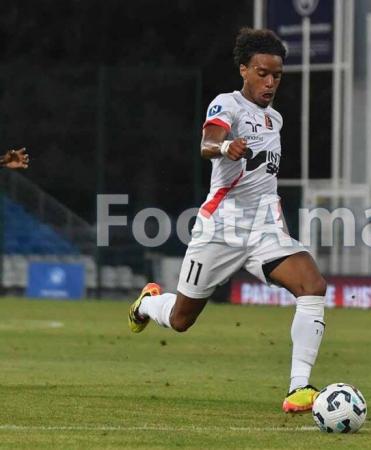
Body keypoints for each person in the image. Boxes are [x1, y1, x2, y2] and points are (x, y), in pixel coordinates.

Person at [128, 28, 327, 413]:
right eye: (262, 72)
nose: (270, 82)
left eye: (277, 75)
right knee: (181, 319)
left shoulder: (276, 120)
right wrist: (224, 147)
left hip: (264, 227)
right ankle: (148, 303)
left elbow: (265, 183)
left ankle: (298, 388)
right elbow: (207, 143)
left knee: (312, 284)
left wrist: (278, 224)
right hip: (220, 226)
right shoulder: (227, 104)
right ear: (244, 70)